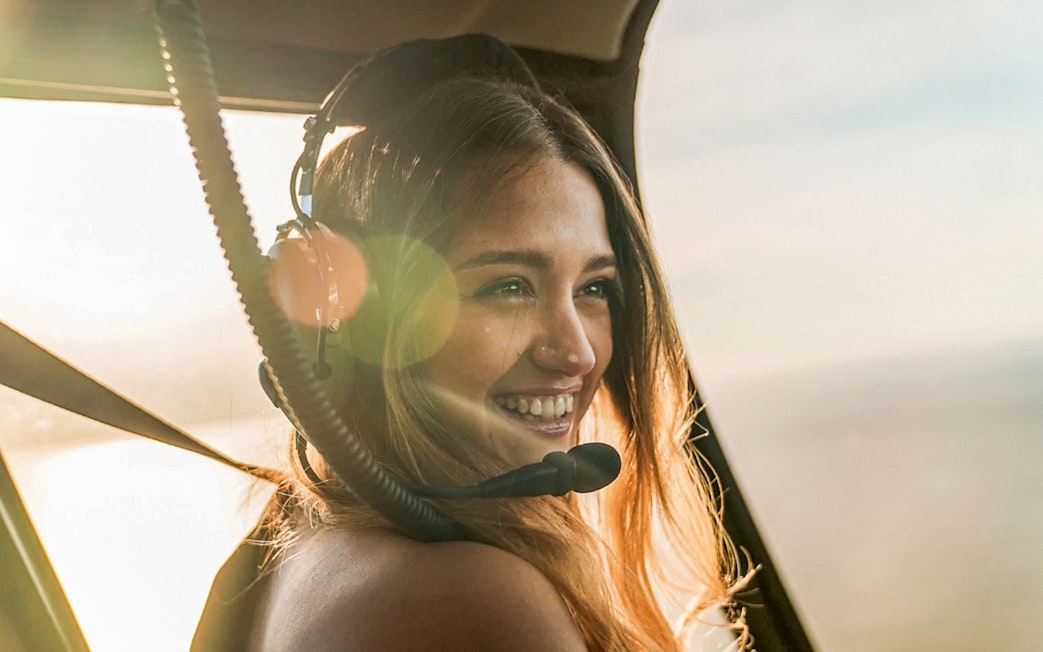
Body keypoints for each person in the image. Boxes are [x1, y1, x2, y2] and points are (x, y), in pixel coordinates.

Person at [194, 35, 751, 652]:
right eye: (508, 286)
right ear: (364, 317)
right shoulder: (471, 598)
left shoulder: (291, 535)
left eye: (594, 288)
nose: (578, 353)